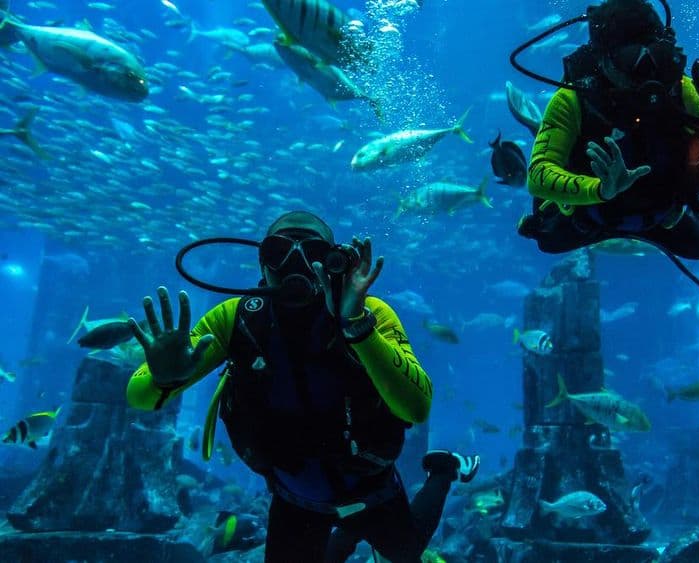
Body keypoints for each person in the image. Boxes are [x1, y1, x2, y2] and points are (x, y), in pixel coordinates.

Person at [125, 210, 479, 562]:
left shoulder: (371, 312)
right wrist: (163, 377)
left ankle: (444, 470)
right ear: (263, 264)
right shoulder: (235, 318)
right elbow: (138, 397)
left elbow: (416, 407)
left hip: (370, 485)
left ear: (334, 261)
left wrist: (356, 324)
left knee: (406, 551)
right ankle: (350, 527)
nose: (295, 263)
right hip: (295, 496)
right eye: (279, 251)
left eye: (311, 252)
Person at [514, 0, 699, 321]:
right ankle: (549, 139)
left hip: (662, 211)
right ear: (603, 61)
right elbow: (539, 176)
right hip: (591, 212)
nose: (648, 74)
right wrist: (601, 189)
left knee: (696, 246)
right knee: (547, 239)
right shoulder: (572, 99)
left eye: (655, 57)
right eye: (633, 61)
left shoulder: (683, 92)